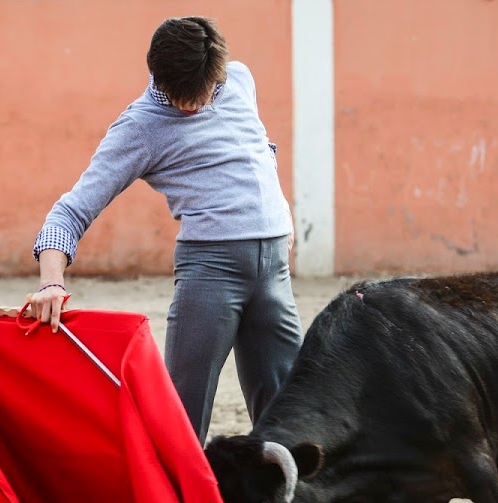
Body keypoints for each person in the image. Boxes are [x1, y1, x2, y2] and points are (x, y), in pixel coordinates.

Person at [26, 16, 301, 446]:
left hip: (275, 271)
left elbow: (260, 149)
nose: (191, 107)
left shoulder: (240, 80)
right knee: (181, 417)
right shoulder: (140, 126)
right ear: (157, 75)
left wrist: (278, 210)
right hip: (212, 273)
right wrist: (51, 282)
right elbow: (72, 210)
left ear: (219, 75)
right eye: (179, 96)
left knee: (288, 411)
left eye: (202, 94)